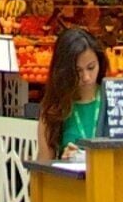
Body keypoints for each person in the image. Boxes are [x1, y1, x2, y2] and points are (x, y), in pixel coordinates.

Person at [37, 25, 107, 163]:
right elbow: (44, 165)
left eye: (91, 67)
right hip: (69, 182)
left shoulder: (113, 98)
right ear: (64, 71)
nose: (86, 77)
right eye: (78, 71)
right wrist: (62, 162)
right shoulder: (54, 109)